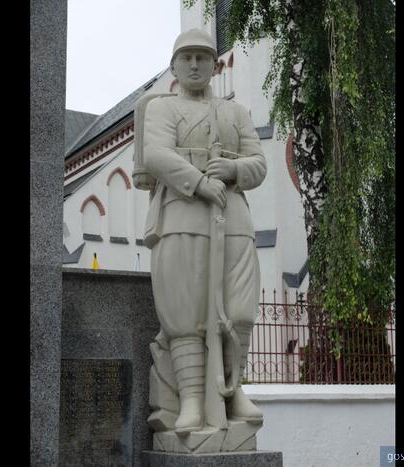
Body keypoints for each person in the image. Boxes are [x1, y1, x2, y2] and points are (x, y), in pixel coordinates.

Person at [142, 28, 266, 434]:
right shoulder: (161, 108)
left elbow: (258, 163)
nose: (195, 64)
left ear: (214, 65)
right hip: (181, 215)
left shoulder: (236, 113)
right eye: (187, 57)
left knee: (240, 309)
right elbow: (155, 154)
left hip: (233, 219)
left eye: (203, 57)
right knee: (186, 312)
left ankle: (234, 390)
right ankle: (192, 400)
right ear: (175, 66)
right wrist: (197, 182)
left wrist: (232, 170)